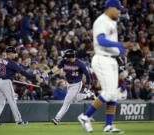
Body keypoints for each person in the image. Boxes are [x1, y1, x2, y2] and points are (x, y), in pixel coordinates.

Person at [78, 0, 133, 133]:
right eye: (118, 9)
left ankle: (108, 125)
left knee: (113, 95)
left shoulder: (112, 22)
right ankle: (85, 116)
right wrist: (121, 45)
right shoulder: (102, 20)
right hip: (102, 59)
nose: (119, 11)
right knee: (108, 93)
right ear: (110, 8)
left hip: (111, 60)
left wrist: (120, 51)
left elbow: (111, 44)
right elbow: (100, 40)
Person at [0, 46, 41, 125]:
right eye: (14, 53)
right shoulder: (11, 63)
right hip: (6, 82)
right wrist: (34, 77)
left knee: (1, 103)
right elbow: (22, 72)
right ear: (10, 53)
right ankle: (19, 120)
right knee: (13, 102)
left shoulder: (0, 60)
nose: (15, 54)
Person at [47, 49, 93, 125]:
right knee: (74, 99)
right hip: (68, 83)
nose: (66, 58)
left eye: (67, 57)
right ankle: (87, 95)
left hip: (76, 84)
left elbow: (87, 75)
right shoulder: (64, 61)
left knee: (66, 102)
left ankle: (57, 118)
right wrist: (49, 73)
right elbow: (57, 67)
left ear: (71, 57)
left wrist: (87, 86)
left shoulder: (80, 64)